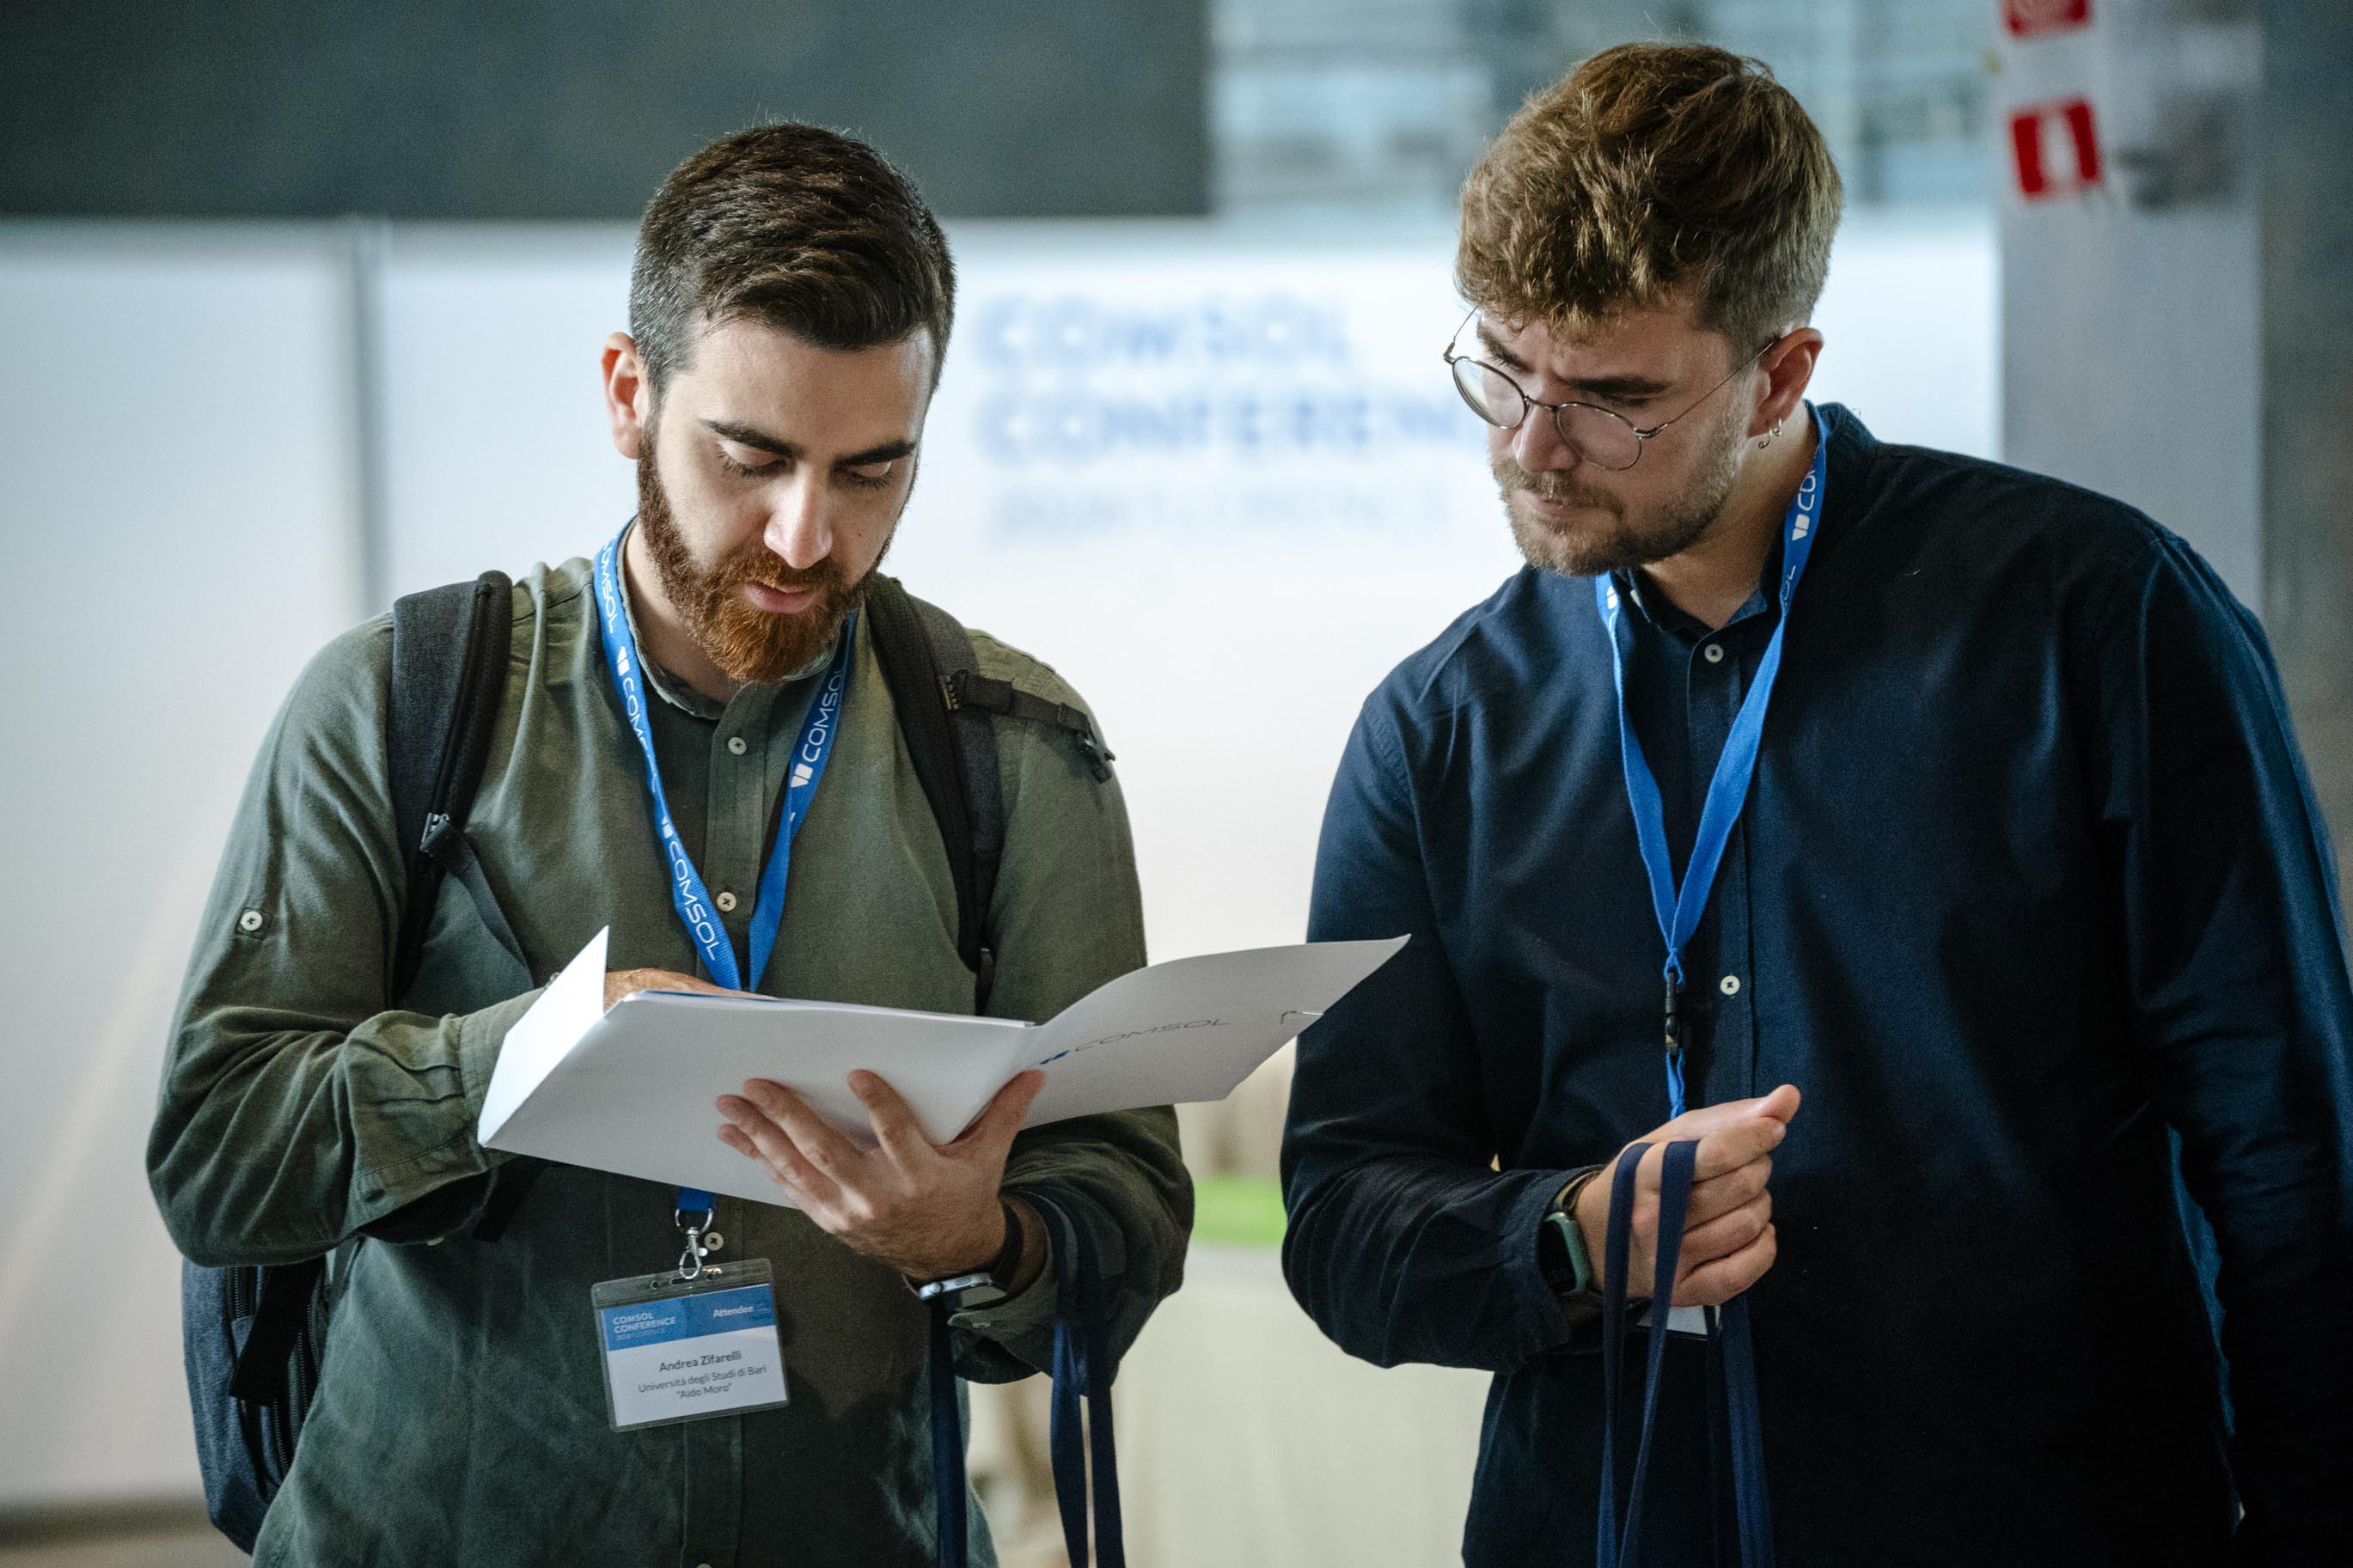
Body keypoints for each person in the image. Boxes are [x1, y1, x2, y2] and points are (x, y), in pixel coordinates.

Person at [1281, 41, 2353, 1567]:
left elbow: (2291, 1157)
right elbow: (1341, 1218)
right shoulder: (1441, 730)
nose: (1532, 446)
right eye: (1503, 370)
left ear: (1782, 367)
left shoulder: (2096, 625)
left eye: (1611, 398)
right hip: (1607, 1524)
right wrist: (1570, 1236)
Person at [149, 124, 1189, 1568]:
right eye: (750, 455)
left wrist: (989, 1240)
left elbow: (1130, 1207)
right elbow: (217, 1155)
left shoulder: (1010, 749)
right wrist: (525, 1055)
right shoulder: (402, 704)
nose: (806, 533)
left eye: (874, 469)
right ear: (628, 395)